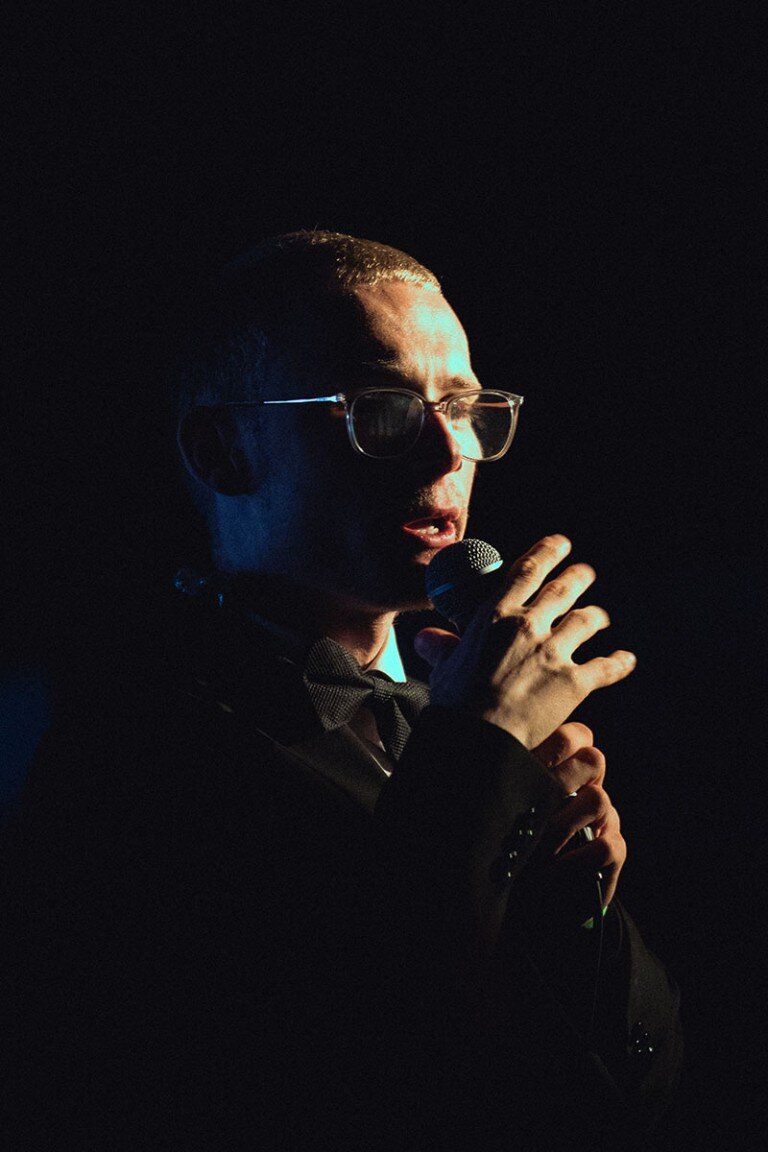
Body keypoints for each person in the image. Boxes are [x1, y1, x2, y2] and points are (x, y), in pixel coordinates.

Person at [0, 231, 682, 1150]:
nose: (448, 449)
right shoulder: (126, 741)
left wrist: (578, 896)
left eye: (466, 405)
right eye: (383, 408)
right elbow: (346, 1060)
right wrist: (478, 753)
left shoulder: (446, 718)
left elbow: (638, 1085)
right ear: (222, 451)